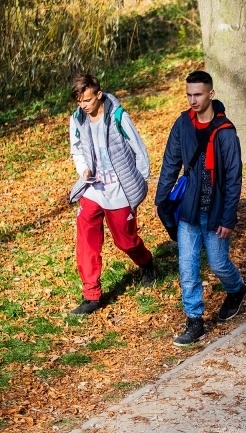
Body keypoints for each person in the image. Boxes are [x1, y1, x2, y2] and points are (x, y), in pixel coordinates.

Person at [156, 70, 246, 346]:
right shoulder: (183, 124)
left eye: (197, 94)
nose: (193, 100)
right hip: (189, 209)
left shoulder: (226, 131)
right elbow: (170, 162)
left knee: (219, 263)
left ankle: (236, 288)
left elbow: (233, 178)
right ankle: (194, 319)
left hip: (216, 210)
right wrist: (161, 200)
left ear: (211, 94)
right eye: (189, 95)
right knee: (187, 266)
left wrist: (228, 217)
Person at [67, 73, 156, 315]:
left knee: (126, 241)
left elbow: (140, 151)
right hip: (93, 190)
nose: (83, 106)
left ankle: (147, 263)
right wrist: (83, 169)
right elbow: (77, 150)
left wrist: (137, 185)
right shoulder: (77, 120)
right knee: (86, 241)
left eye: (87, 100)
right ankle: (91, 295)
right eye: (79, 102)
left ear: (98, 94)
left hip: (120, 192)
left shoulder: (118, 117)